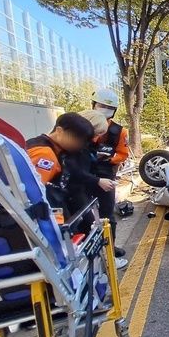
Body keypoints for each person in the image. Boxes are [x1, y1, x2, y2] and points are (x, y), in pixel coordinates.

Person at [64, 110, 128, 269]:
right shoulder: (73, 146)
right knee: (92, 225)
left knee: (104, 219)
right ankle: (105, 260)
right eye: (96, 134)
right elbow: (74, 170)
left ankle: (108, 253)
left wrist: (103, 158)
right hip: (82, 189)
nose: (97, 138)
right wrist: (97, 180)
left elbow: (122, 154)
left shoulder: (117, 132)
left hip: (97, 180)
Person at [26, 112, 95, 217]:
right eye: (77, 140)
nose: (80, 145)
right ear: (59, 131)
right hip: (45, 213)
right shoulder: (45, 154)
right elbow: (34, 192)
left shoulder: (56, 149)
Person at [89, 88, 130, 260]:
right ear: (93, 105)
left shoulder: (119, 131)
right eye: (101, 105)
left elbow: (123, 154)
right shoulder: (81, 124)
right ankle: (89, 250)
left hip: (105, 173)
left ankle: (110, 248)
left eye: (108, 107)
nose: (104, 109)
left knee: (107, 214)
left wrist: (108, 159)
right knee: (83, 213)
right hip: (82, 173)